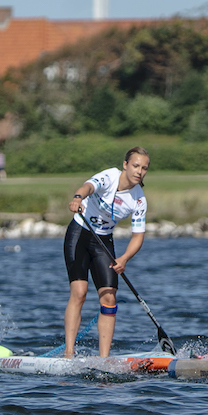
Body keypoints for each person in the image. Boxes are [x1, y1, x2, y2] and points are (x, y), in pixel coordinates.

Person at [63, 147, 150, 358]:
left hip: (103, 240)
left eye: (144, 168)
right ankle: (69, 353)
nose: (139, 171)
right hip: (80, 233)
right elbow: (88, 186)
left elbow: (138, 237)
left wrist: (124, 259)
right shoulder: (109, 176)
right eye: (136, 166)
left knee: (109, 297)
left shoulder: (139, 200)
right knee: (80, 293)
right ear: (125, 165)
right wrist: (77, 198)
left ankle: (104, 359)